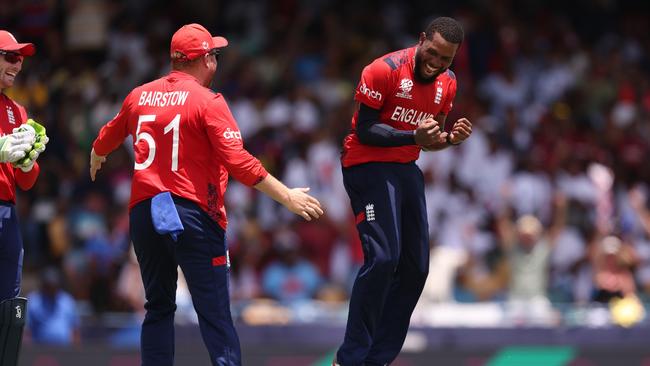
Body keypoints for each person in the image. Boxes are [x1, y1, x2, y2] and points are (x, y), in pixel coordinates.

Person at [89, 23, 323, 366]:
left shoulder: (139, 95)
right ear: (205, 60)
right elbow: (239, 161)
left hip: (145, 212)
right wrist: (286, 196)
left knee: (158, 307)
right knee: (214, 312)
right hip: (193, 213)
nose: (217, 61)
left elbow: (109, 134)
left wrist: (97, 152)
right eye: (214, 54)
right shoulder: (208, 101)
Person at [335, 17, 472, 365]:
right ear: (421, 39)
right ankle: (349, 359)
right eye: (433, 53)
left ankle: (377, 359)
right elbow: (365, 130)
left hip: (406, 169)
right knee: (383, 259)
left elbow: (430, 141)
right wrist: (414, 138)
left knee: (416, 268)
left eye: (446, 59)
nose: (437, 63)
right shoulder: (384, 70)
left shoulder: (448, 83)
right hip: (366, 165)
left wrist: (449, 140)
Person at [0, 30, 49, 366]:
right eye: (10, 56)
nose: (17, 64)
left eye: (20, 58)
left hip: (7, 213)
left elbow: (27, 181)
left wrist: (28, 161)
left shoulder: (17, 110)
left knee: (8, 305)